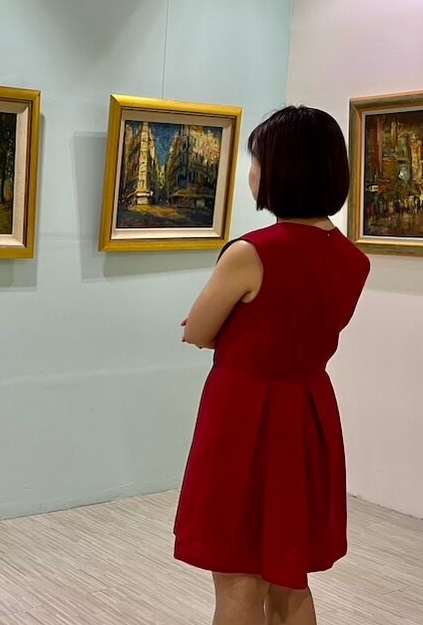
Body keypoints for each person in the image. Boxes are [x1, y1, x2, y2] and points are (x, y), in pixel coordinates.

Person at [175, 106, 371, 625]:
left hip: (244, 417)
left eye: (257, 160)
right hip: (307, 415)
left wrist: (216, 327)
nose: (252, 172)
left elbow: (198, 330)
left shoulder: (251, 252)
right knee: (289, 576)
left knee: (237, 578)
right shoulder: (353, 259)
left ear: (283, 169)